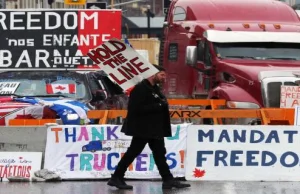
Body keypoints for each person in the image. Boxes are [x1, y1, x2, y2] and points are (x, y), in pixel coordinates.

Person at [107, 65, 191, 190]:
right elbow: (136, 109)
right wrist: (158, 105)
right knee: (133, 152)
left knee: (159, 154)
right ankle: (116, 177)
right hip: (143, 129)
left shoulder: (153, 88)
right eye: (162, 75)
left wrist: (160, 105)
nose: (164, 78)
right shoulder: (140, 88)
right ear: (153, 74)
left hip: (154, 128)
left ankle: (168, 180)